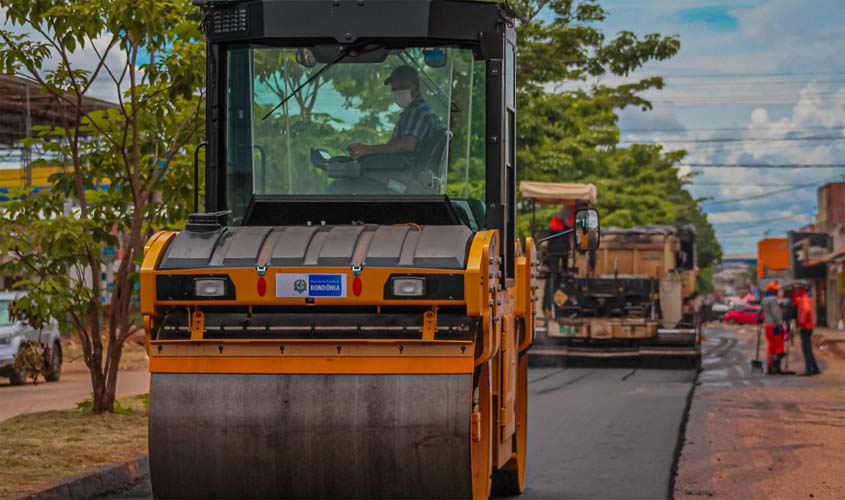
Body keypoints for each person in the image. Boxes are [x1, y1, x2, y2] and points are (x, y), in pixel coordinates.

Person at [329, 65, 441, 194]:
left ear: (416, 88)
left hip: (404, 177)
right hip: (401, 172)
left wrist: (369, 150)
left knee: (339, 187)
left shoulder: (418, 112)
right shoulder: (416, 111)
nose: (396, 92)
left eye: (401, 88)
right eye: (394, 89)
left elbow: (407, 145)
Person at [759, 281, 786, 374]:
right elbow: (776, 313)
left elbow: (759, 312)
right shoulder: (773, 300)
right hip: (775, 326)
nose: (777, 291)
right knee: (779, 346)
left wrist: (759, 319)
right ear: (772, 290)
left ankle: (769, 367)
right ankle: (776, 368)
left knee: (771, 347)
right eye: (776, 290)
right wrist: (780, 324)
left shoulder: (764, 299)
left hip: (767, 326)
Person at [794, 284, 821, 376]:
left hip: (805, 327)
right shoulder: (803, 298)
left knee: (806, 348)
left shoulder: (804, 298)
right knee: (807, 348)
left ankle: (809, 369)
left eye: (798, 289)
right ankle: (815, 368)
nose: (796, 291)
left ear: (801, 290)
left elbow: (806, 310)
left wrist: (801, 321)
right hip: (807, 326)